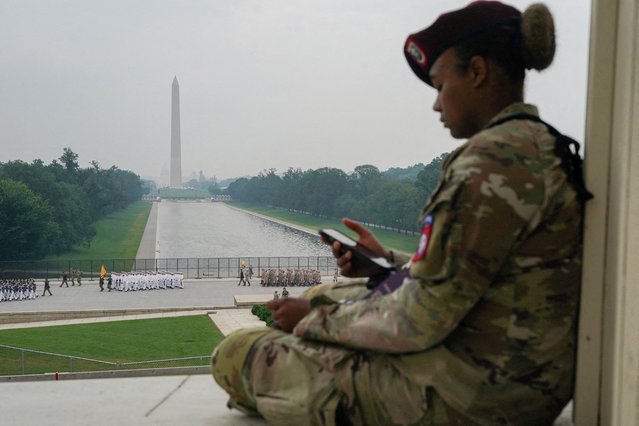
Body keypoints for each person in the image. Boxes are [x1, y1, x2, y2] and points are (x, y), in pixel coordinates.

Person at [212, 2, 591, 425]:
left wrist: (316, 323)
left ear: (478, 73)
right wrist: (385, 264)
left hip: (474, 396)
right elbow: (478, 272)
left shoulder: (487, 165)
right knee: (321, 294)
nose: (435, 105)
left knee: (238, 351)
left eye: (439, 84)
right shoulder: (543, 146)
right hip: (523, 375)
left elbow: (419, 318)